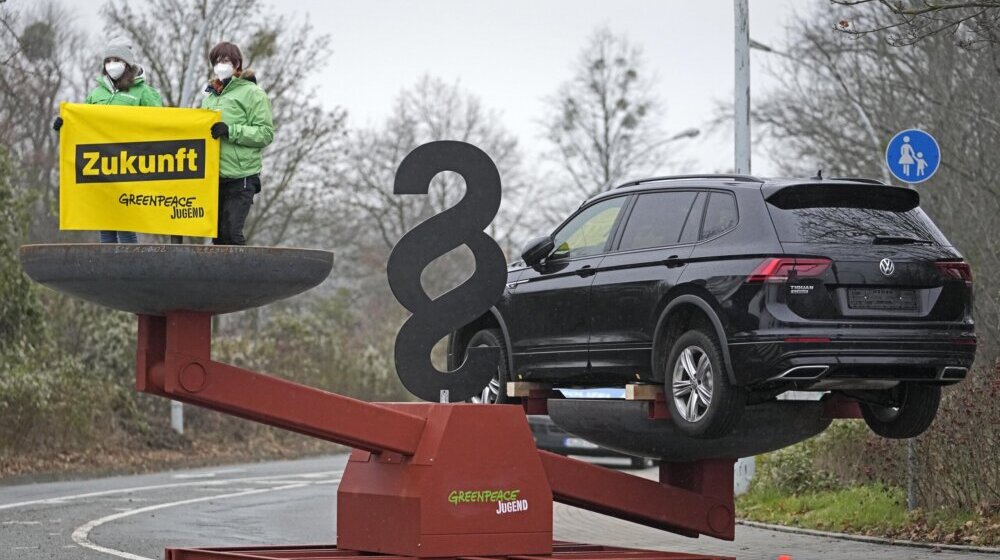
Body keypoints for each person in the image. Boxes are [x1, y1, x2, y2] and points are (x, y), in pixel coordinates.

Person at [53, 41, 163, 243]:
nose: (112, 64)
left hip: (130, 165)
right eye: (108, 61)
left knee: (125, 224)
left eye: (117, 60)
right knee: (105, 223)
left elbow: (161, 124)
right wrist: (65, 127)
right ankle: (109, 273)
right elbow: (82, 126)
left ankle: (130, 269)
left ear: (127, 64)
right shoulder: (96, 94)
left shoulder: (144, 93)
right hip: (101, 166)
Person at [201, 42, 274, 245]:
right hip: (214, 175)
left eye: (225, 60)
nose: (220, 64)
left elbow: (266, 133)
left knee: (231, 233)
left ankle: (245, 276)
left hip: (242, 175)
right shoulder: (209, 97)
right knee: (218, 237)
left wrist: (231, 131)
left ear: (237, 63)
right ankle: (221, 278)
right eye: (216, 61)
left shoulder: (253, 93)